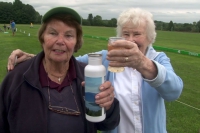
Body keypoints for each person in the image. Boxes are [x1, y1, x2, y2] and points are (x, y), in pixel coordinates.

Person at [7, 8, 183, 133]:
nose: (130, 40)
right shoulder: (106, 57)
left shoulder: (158, 59)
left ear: (150, 37)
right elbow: (68, 59)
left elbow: (174, 91)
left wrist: (142, 63)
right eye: (125, 34)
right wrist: (32, 58)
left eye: (136, 34)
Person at [0, 7, 120, 133]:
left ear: (76, 42)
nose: (60, 41)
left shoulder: (89, 76)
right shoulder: (17, 78)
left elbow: (107, 124)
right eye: (53, 33)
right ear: (42, 38)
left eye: (68, 35)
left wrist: (109, 106)